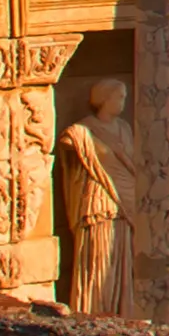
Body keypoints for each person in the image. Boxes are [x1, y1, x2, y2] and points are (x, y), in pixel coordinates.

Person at [55, 73, 133, 316]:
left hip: (126, 198)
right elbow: (69, 143)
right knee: (98, 257)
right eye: (119, 97)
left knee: (121, 258)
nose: (122, 102)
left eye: (124, 97)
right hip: (99, 198)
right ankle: (94, 309)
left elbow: (133, 161)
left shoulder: (124, 128)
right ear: (104, 99)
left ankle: (121, 310)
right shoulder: (82, 130)